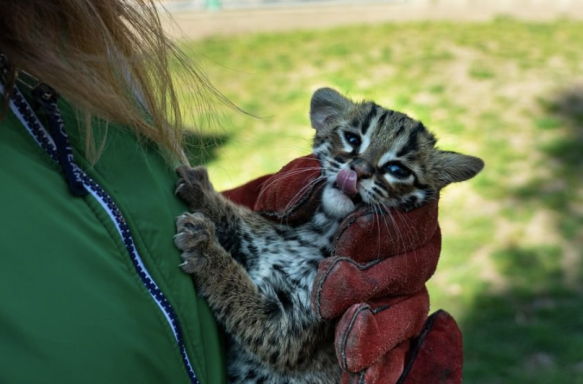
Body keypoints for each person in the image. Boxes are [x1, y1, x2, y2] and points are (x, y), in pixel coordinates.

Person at [0, 1, 462, 383]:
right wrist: (215, 251)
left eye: (395, 167)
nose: (359, 170)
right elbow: (276, 338)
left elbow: (274, 314)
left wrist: (216, 213)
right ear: (324, 126)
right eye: (353, 144)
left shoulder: (75, 39)